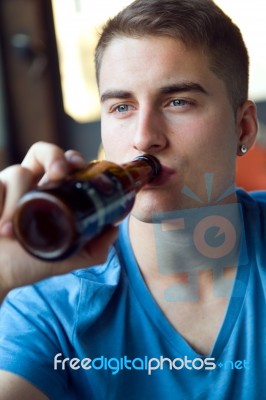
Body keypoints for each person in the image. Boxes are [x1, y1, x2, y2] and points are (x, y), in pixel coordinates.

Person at [0, 0, 264, 398]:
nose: (144, 137)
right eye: (122, 106)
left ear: (243, 128)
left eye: (178, 102)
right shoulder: (47, 300)